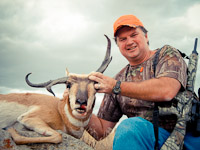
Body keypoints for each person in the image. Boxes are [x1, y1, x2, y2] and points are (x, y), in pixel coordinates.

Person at [65, 15, 199, 149]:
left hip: (189, 138)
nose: (129, 42)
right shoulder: (118, 79)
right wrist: (77, 105)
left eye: (134, 35)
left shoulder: (166, 54)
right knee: (129, 129)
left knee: (129, 127)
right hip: (147, 141)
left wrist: (116, 86)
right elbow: (101, 131)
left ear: (146, 37)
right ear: (118, 45)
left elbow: (167, 90)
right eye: (122, 39)